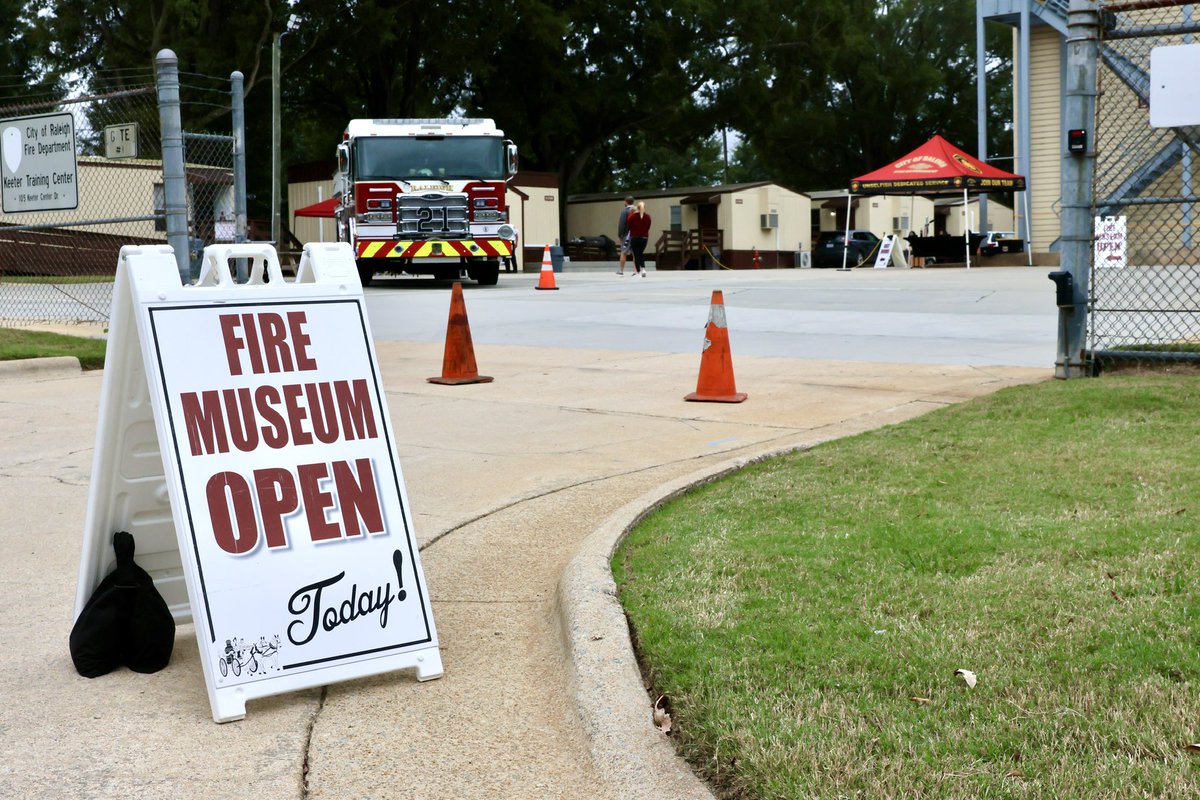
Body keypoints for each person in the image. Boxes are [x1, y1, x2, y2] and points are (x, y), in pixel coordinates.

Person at [626, 201, 652, 277]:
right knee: (640, 253)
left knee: (636, 254)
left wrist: (632, 213)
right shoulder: (648, 217)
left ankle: (638, 271)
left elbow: (629, 226)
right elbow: (648, 227)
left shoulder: (632, 216)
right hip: (644, 238)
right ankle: (643, 269)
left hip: (635, 237)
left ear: (637, 207)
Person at [616, 195, 634, 275]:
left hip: (627, 235)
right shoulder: (637, 210)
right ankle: (636, 271)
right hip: (636, 234)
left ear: (625, 202)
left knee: (623, 252)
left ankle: (621, 270)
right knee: (635, 253)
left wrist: (620, 235)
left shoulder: (625, 211)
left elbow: (622, 224)